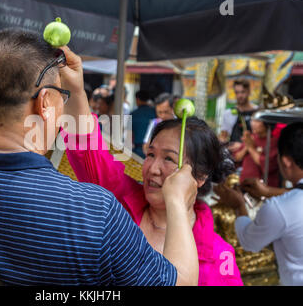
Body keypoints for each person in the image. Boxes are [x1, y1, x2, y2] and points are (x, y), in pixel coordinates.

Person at [0, 28, 199, 286]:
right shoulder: (93, 212)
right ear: (45, 102)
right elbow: (179, 281)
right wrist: (177, 202)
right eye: (61, 97)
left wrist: (74, 94)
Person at [62, 115, 243, 286]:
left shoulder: (220, 256)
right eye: (150, 154)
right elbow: (85, 147)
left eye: (168, 158)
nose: (153, 169)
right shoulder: (120, 200)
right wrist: (76, 90)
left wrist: (176, 202)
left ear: (200, 177)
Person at [214, 122, 303, 285]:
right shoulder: (282, 204)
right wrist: (268, 192)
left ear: (286, 161)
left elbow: (250, 242)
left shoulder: (279, 208)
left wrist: (239, 206)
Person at [230, 118, 280, 187]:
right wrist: (247, 146)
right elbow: (236, 157)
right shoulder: (251, 138)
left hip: (263, 187)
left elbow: (265, 164)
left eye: (257, 121)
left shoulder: (273, 141)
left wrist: (250, 147)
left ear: (267, 123)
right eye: (252, 120)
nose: (253, 124)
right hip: (244, 184)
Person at [219, 79, 258, 144]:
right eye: (237, 92)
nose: (240, 96)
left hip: (252, 149)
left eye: (243, 92)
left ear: (249, 92)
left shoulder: (257, 112)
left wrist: (242, 146)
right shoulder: (229, 113)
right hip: (233, 150)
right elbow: (224, 136)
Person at [129, 90, 156, 158]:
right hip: (153, 148)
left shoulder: (133, 114)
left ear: (137, 99)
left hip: (138, 149)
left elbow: (130, 134)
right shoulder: (154, 112)